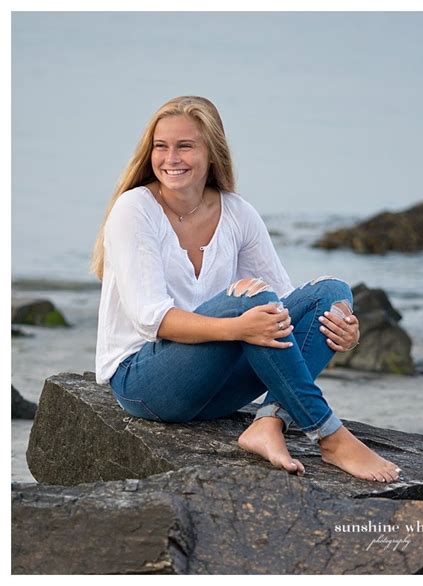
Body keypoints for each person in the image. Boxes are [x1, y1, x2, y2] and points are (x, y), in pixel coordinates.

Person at [91, 95, 401, 483]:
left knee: (330, 294)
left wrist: (345, 332)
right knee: (252, 302)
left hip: (216, 391)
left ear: (211, 152)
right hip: (146, 381)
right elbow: (151, 319)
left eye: (185, 146)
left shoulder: (237, 212)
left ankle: (269, 422)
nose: (171, 158)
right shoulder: (134, 209)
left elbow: (286, 308)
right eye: (161, 146)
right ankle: (330, 435)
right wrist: (238, 327)